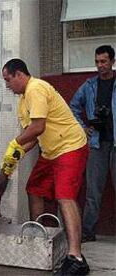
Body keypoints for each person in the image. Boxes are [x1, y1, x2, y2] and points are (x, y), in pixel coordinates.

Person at [0, 59, 90, 275]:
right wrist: (15, 154)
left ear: (19, 74)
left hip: (70, 147)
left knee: (65, 197)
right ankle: (38, 240)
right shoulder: (23, 101)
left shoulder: (36, 88)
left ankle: (76, 257)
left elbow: (37, 127)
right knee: (34, 189)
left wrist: (15, 143)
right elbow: (31, 137)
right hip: (51, 151)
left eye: (8, 80)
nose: (7, 85)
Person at [70, 45, 115, 243]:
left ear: (112, 61)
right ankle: (88, 232)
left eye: (104, 61)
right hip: (97, 143)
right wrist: (83, 128)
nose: (100, 66)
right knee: (93, 192)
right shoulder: (89, 85)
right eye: (97, 62)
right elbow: (72, 107)